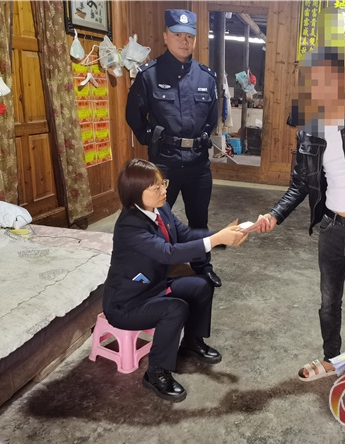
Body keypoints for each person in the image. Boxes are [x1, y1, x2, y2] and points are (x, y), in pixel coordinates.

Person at [256, 42, 345, 381]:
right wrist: (274, 215)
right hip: (331, 228)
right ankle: (333, 360)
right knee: (328, 304)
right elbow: (300, 184)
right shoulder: (309, 128)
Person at [103, 159, 247, 402]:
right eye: (156, 188)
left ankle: (191, 341)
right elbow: (168, 253)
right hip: (127, 303)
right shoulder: (130, 226)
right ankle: (155, 373)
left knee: (202, 285)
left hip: (155, 287)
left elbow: (185, 234)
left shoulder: (161, 209)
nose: (164, 191)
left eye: (163, 184)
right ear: (135, 192)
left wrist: (222, 235)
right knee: (175, 308)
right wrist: (216, 240)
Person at [126, 9, 222, 287]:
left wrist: (200, 140)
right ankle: (155, 270)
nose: (184, 40)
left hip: (198, 163)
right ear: (166, 36)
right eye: (178, 35)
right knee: (156, 218)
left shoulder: (206, 77)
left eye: (189, 36)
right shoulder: (149, 75)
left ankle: (201, 265)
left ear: (195, 39)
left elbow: (212, 118)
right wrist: (151, 140)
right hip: (164, 163)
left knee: (199, 218)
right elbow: (134, 115)